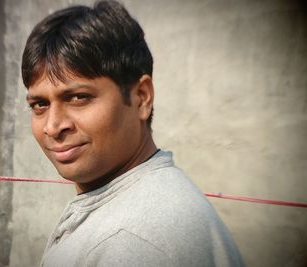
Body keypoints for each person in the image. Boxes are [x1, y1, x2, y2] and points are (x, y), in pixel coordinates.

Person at [21, 1, 244, 266]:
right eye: (40, 105)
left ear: (141, 98)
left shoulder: (131, 243)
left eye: (79, 97)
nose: (52, 126)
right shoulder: (140, 200)